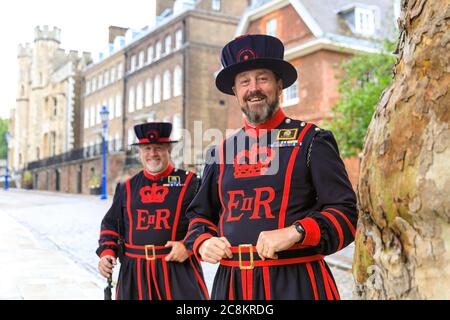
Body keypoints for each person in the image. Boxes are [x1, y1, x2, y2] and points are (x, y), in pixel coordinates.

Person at [183, 34, 358, 300]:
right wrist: (203, 242)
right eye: (244, 81)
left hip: (297, 284)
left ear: (279, 85)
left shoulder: (311, 140)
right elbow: (198, 216)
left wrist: (297, 232)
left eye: (262, 78)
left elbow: (346, 214)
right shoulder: (219, 153)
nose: (253, 88)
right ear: (236, 92)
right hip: (232, 288)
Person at [96, 122, 209, 300]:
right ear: (139, 152)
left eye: (159, 148)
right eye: (147, 148)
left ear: (169, 150)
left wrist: (188, 246)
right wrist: (107, 253)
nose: (152, 154)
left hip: (177, 271)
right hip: (134, 274)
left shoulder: (191, 183)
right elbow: (111, 225)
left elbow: (204, 221)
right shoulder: (126, 187)